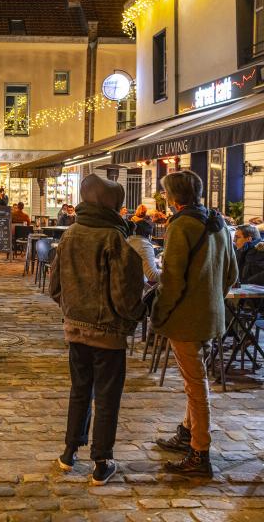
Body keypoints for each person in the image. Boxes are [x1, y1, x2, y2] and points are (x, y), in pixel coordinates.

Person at [49, 174, 144, 486]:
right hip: (107, 332)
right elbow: (125, 293)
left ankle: (68, 452)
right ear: (112, 204)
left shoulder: (71, 233)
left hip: (75, 329)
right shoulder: (114, 239)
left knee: (80, 390)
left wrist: (73, 311)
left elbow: (55, 287)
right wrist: (132, 317)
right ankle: (102, 461)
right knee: (106, 397)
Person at [151, 170, 237, 478]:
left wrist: (158, 313)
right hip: (212, 316)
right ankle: (188, 433)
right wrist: (212, 299)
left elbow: (171, 280)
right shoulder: (218, 225)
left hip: (187, 319)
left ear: (173, 198)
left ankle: (200, 452)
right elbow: (232, 275)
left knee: (195, 384)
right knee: (195, 378)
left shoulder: (182, 226)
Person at [128, 219, 160, 283]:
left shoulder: (129, 240)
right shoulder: (144, 245)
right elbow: (152, 275)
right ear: (149, 235)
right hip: (136, 285)